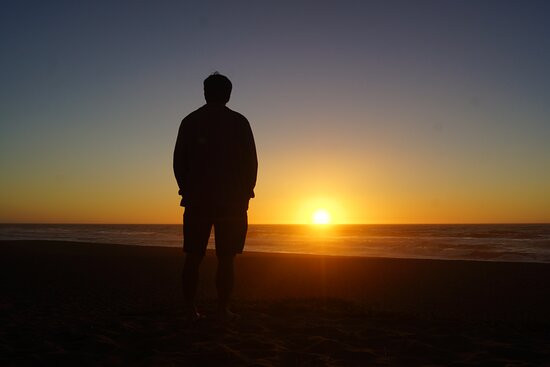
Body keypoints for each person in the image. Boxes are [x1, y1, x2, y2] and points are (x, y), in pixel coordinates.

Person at [173, 72, 258, 321]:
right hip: (231, 202)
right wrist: (246, 192)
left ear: (205, 92)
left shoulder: (191, 121)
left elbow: (179, 160)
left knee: (194, 256)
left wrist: (185, 187)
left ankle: (190, 308)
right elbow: (251, 163)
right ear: (228, 94)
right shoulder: (239, 122)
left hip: (199, 199)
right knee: (226, 258)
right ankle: (222, 309)